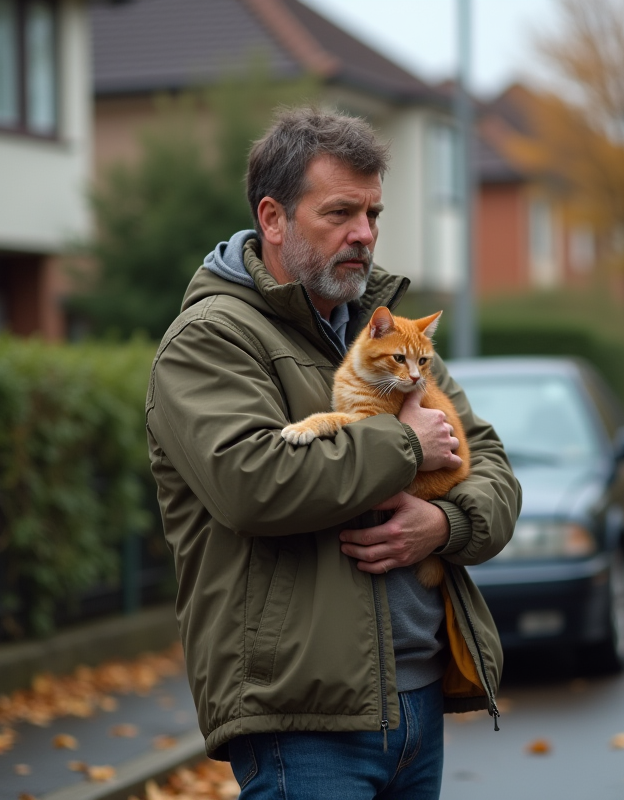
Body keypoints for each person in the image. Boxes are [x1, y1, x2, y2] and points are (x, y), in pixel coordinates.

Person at [145, 107, 520, 800]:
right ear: (274, 217)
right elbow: (252, 482)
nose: (365, 234)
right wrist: (404, 444)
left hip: (418, 703)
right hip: (303, 722)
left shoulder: (385, 336)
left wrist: (445, 526)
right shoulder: (211, 339)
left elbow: (491, 465)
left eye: (373, 213)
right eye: (341, 212)